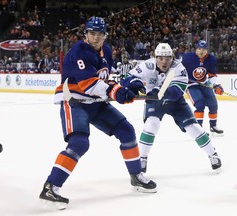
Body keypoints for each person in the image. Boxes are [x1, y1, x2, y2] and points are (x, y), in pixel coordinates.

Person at [39, 16, 156, 210]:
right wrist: (117, 92)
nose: (95, 37)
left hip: (95, 102)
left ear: (105, 35)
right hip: (74, 101)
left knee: (126, 131)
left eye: (99, 34)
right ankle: (51, 187)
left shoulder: (107, 52)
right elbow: (89, 84)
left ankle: (136, 177)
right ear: (85, 34)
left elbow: (104, 79)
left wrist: (127, 87)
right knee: (79, 143)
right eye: (91, 33)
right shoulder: (79, 51)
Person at [125, 43, 222, 173]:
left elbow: (177, 91)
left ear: (172, 57)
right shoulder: (148, 65)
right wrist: (136, 85)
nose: (164, 62)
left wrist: (159, 91)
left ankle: (213, 154)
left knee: (193, 127)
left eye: (167, 58)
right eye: (160, 58)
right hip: (155, 102)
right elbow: (127, 78)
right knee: (151, 125)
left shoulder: (179, 67)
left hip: (175, 102)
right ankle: (142, 158)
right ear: (155, 57)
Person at [181, 40, 224, 134]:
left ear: (207, 50)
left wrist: (216, 85)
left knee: (213, 104)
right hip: (191, 84)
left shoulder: (211, 59)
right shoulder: (187, 58)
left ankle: (213, 126)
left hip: (204, 83)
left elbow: (212, 75)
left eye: (204, 49)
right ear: (196, 49)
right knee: (200, 104)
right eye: (200, 49)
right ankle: (198, 129)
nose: (201, 51)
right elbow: (178, 70)